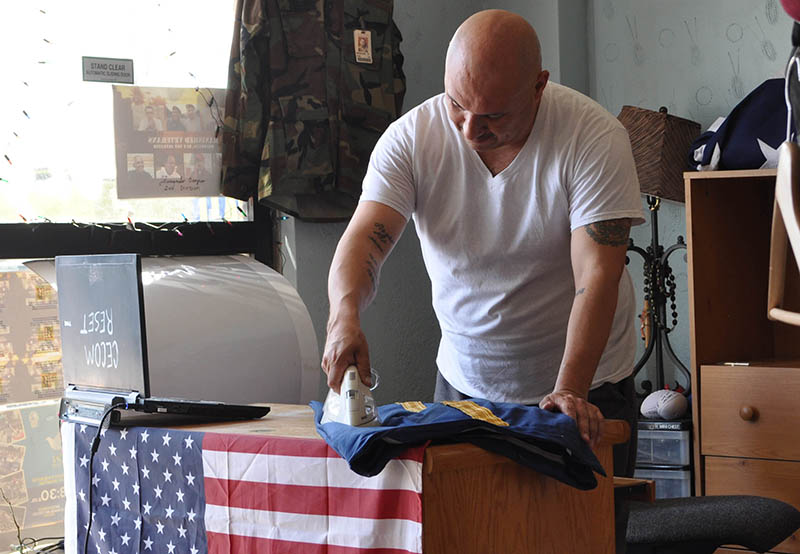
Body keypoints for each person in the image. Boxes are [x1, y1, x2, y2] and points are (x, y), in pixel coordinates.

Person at [321, 9, 644, 476]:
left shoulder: (592, 138)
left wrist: (570, 389)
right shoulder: (411, 138)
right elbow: (364, 240)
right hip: (464, 384)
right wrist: (343, 316)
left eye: (493, 115)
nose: (471, 129)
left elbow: (597, 276)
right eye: (457, 104)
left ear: (539, 86)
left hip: (586, 384)